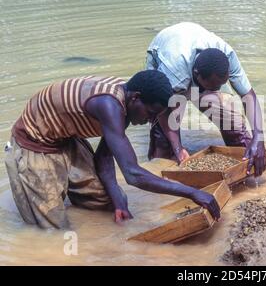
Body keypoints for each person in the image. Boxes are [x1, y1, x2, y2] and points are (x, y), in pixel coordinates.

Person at [4, 71, 220, 229]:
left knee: (103, 200)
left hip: (67, 138)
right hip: (35, 144)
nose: (149, 121)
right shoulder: (109, 105)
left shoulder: (126, 101)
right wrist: (192, 192)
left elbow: (105, 159)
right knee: (53, 227)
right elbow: (133, 174)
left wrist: (118, 202)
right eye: (150, 112)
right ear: (136, 97)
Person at [145, 22, 266, 176]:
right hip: (165, 56)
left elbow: (248, 96)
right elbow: (163, 110)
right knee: (163, 141)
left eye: (218, 86)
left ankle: (246, 170)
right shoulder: (175, 71)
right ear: (196, 74)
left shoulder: (227, 57)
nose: (214, 91)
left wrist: (259, 138)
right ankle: (162, 187)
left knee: (233, 124)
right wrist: (178, 148)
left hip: (195, 59)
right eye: (209, 87)